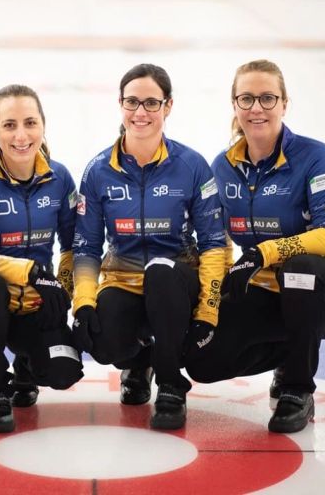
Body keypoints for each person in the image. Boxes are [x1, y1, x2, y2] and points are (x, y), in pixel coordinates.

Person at [185, 59, 325, 433]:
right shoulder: (221, 168)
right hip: (272, 292)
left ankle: (296, 388)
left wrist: (263, 252)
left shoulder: (315, 156)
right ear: (235, 105)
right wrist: (210, 303)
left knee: (300, 268)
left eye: (268, 98)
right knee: (202, 362)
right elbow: (216, 245)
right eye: (247, 98)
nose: (257, 108)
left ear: (284, 104)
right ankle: (293, 349)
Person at [71, 63, 227, 430]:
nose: (140, 112)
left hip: (175, 281)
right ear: (120, 104)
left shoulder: (191, 166)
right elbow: (86, 248)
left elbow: (214, 244)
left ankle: (172, 384)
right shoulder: (98, 171)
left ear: (168, 106)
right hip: (123, 279)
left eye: (151, 103)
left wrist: (209, 309)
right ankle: (141, 361)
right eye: (132, 102)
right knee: (104, 341)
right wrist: (84, 302)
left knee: (160, 271)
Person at [0, 84, 83, 433]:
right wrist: (30, 271)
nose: (21, 135)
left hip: (35, 304)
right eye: (9, 125)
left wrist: (64, 290)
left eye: (29, 123)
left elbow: (73, 247)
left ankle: (27, 366)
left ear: (43, 125)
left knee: (63, 371)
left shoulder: (60, 177)